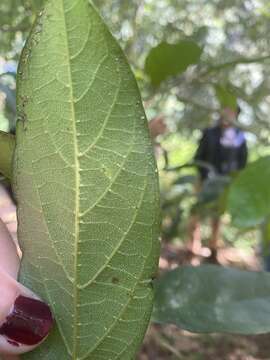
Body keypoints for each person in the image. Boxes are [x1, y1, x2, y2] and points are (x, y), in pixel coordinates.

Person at [187, 106, 248, 261]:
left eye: (232, 111)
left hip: (224, 184)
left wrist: (234, 180)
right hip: (205, 180)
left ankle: (213, 249)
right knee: (197, 213)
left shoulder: (239, 137)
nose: (227, 113)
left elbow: (242, 161)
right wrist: (202, 176)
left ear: (236, 115)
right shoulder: (209, 133)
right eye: (226, 110)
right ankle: (193, 248)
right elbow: (199, 156)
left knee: (217, 216)